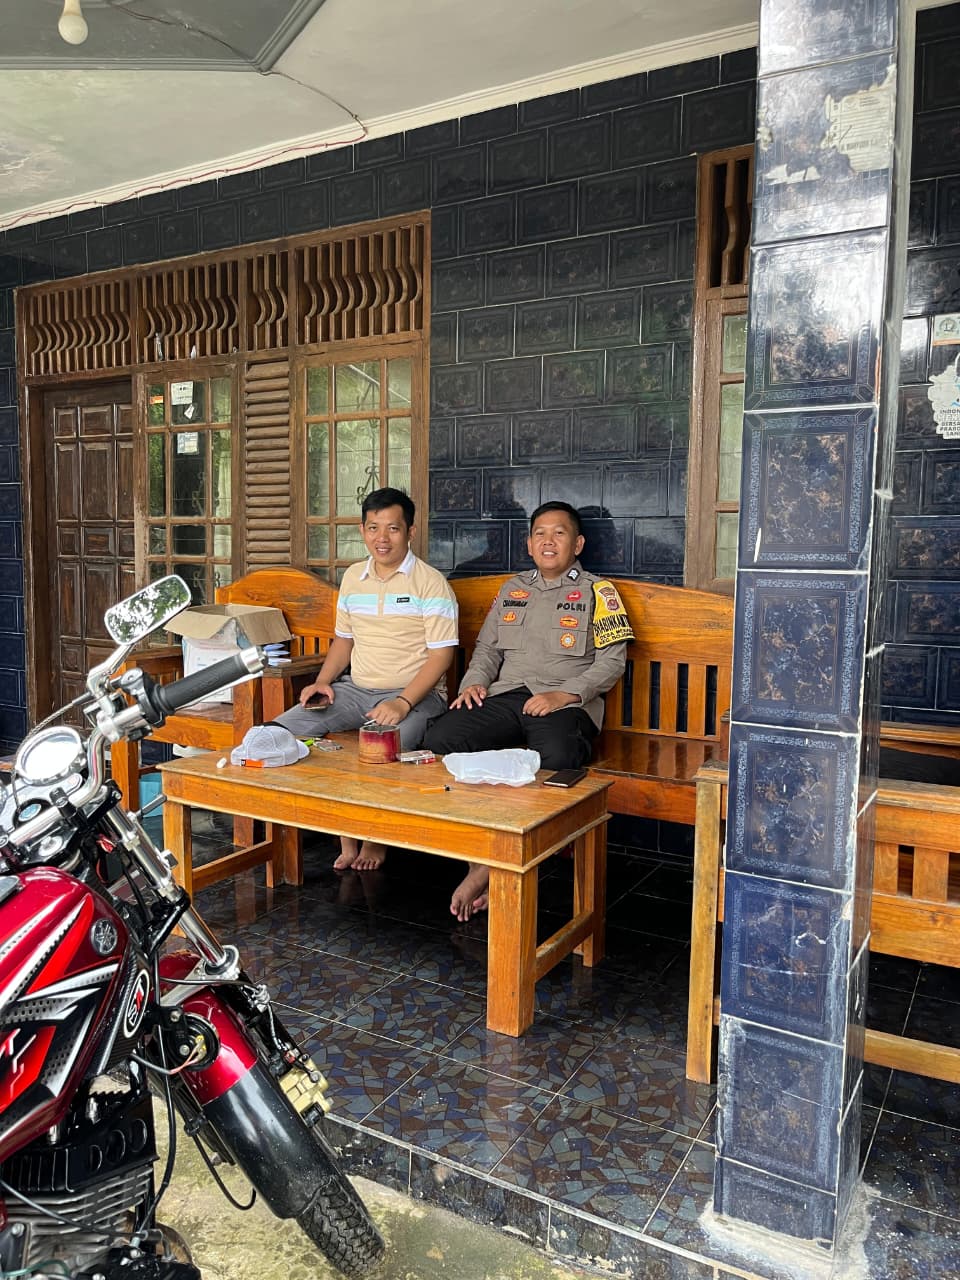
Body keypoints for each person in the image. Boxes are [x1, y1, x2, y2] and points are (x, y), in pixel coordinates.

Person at [424, 500, 633, 920]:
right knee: (443, 738)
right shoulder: (512, 589)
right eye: (540, 533)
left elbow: (613, 662)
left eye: (559, 533)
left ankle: (496, 867)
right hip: (508, 697)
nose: (548, 541)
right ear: (529, 543)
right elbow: (487, 650)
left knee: (558, 758)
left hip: (564, 704)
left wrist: (565, 695)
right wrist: (473, 684)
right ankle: (482, 853)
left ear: (578, 544)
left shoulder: (600, 592)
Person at [275, 487, 457, 871]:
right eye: (373, 528)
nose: (382, 538)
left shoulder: (430, 583)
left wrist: (402, 702)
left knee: (382, 748)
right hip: (355, 691)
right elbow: (344, 640)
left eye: (393, 528)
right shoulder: (354, 578)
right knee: (280, 731)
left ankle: (373, 838)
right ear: (362, 530)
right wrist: (323, 681)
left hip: (416, 696)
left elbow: (442, 655)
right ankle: (344, 832)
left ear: (410, 531)